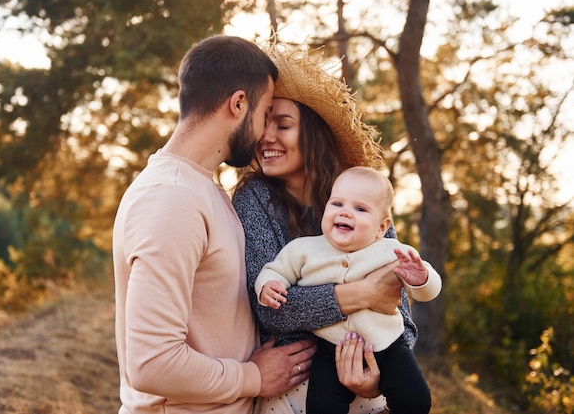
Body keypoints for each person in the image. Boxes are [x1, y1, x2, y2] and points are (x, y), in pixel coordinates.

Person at [112, 35, 317, 414]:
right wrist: (252, 378)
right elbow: (151, 363)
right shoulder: (171, 200)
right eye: (264, 111)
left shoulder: (202, 189)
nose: (262, 132)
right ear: (239, 103)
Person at [232, 41, 419, 414]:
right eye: (262, 122)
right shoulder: (254, 199)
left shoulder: (363, 199)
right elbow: (273, 310)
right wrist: (364, 292)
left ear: (313, 133)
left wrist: (375, 382)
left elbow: (400, 315)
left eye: (282, 124)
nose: (266, 137)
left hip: (367, 386)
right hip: (292, 393)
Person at [256, 166, 442, 414]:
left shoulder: (391, 251)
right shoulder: (303, 249)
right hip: (330, 349)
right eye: (337, 204)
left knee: (415, 401)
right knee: (322, 407)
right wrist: (268, 286)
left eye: (360, 209)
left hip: (388, 346)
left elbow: (424, 293)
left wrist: (422, 279)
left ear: (381, 227)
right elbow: (274, 270)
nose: (345, 213)